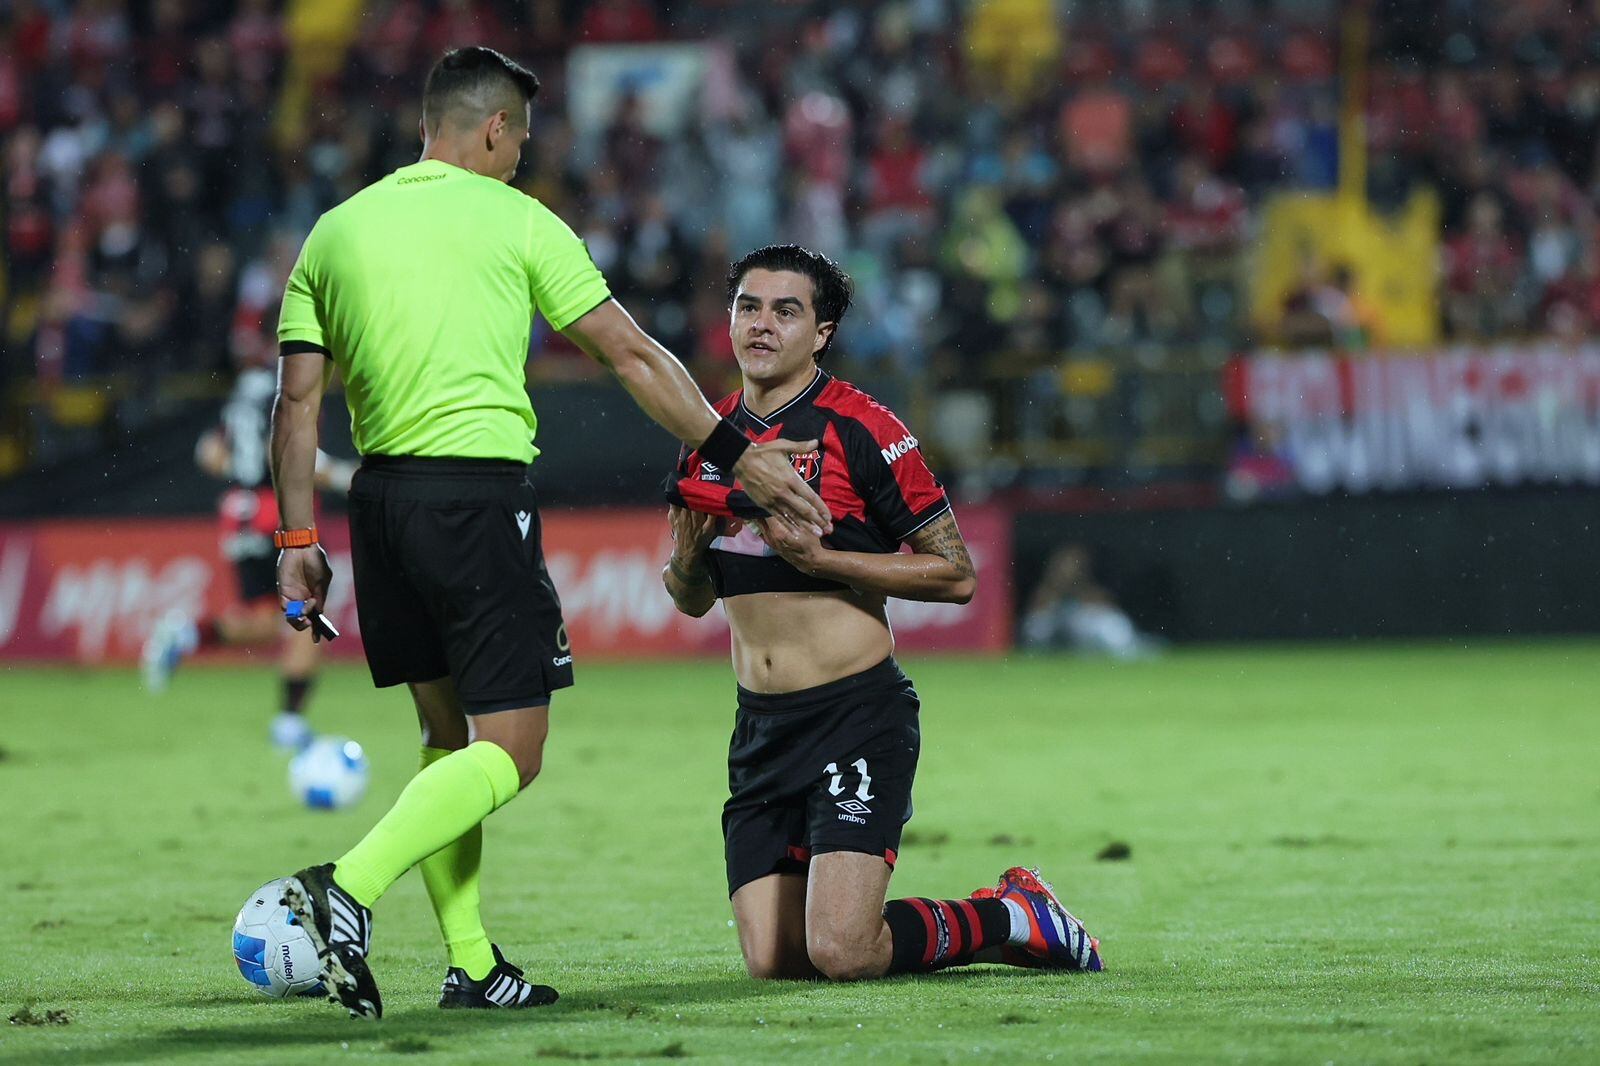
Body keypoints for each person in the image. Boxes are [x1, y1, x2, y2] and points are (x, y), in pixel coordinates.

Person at [266, 48, 830, 1019]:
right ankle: (342, 890)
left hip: (378, 506)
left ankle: (471, 963)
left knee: (448, 742)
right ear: (491, 128)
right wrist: (738, 452)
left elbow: (296, 400)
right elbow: (630, 354)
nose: (524, 155)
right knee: (513, 751)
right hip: (475, 502)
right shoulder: (518, 221)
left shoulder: (336, 231)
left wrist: (293, 538)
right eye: (521, 136)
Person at [662, 244, 1103, 982]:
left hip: (853, 717)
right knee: (775, 962)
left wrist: (825, 562)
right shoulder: (707, 442)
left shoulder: (861, 427)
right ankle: (997, 934)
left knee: (840, 952)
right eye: (748, 306)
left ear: (822, 332)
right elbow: (693, 596)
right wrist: (684, 562)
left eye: (786, 310)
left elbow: (958, 575)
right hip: (760, 729)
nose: (761, 324)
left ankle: (1012, 913)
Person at [141, 354, 354, 752]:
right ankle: (290, 723)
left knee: (266, 617)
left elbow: (208, 453)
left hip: (240, 514)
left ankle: (186, 634)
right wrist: (347, 478)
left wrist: (245, 472)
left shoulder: (248, 390)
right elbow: (295, 451)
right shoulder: (292, 385)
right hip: (277, 516)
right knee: (306, 617)